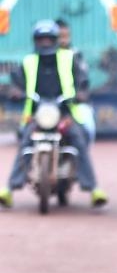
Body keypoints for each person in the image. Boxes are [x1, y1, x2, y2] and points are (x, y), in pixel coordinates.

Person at [0, 20, 107, 209]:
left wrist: (81, 92)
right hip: (37, 115)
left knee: (79, 141)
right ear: (36, 41)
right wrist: (15, 91)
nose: (45, 43)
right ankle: (9, 189)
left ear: (56, 40)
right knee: (25, 142)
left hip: (65, 114)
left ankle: (94, 189)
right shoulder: (28, 62)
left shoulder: (68, 58)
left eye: (49, 39)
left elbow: (81, 79)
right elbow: (16, 82)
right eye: (42, 39)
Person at [54, 18, 97, 143]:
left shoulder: (75, 55)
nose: (64, 40)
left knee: (88, 128)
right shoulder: (45, 56)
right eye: (60, 36)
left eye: (66, 36)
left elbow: (83, 79)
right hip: (49, 105)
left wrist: (81, 94)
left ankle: (83, 160)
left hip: (73, 104)